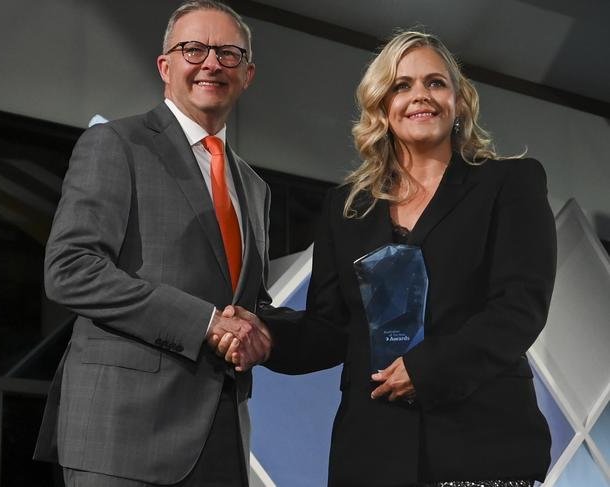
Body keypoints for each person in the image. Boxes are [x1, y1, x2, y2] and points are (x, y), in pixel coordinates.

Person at [220, 30, 557, 487]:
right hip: (371, 453)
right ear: (381, 105)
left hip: (482, 445)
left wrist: (427, 369)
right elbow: (330, 329)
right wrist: (268, 336)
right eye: (402, 85)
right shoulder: (347, 208)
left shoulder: (510, 183)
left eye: (435, 83)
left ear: (459, 101)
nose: (421, 95)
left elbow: (519, 309)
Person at [33, 1, 272, 486]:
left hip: (223, 437)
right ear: (165, 66)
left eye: (228, 53)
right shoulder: (116, 144)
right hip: (122, 437)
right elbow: (71, 268)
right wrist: (204, 323)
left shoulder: (254, 187)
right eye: (193, 49)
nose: (211, 63)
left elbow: (247, 307)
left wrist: (267, 332)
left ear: (247, 74)